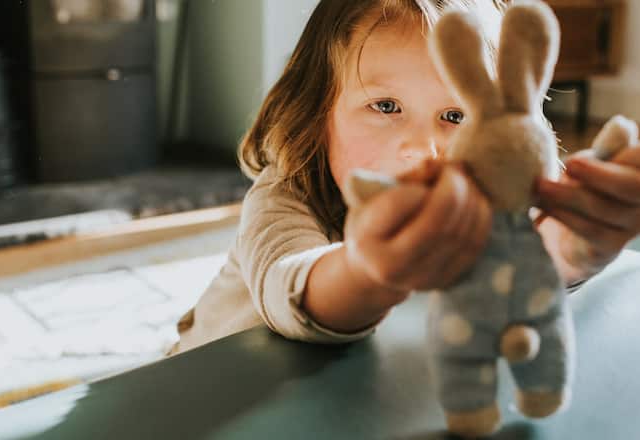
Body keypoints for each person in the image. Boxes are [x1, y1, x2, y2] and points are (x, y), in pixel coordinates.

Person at [170, 0, 640, 354]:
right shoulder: (285, 196)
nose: (423, 148)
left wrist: (571, 248)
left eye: (456, 115)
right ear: (317, 113)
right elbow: (290, 289)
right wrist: (369, 270)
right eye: (387, 107)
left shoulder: (485, 196)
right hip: (207, 387)